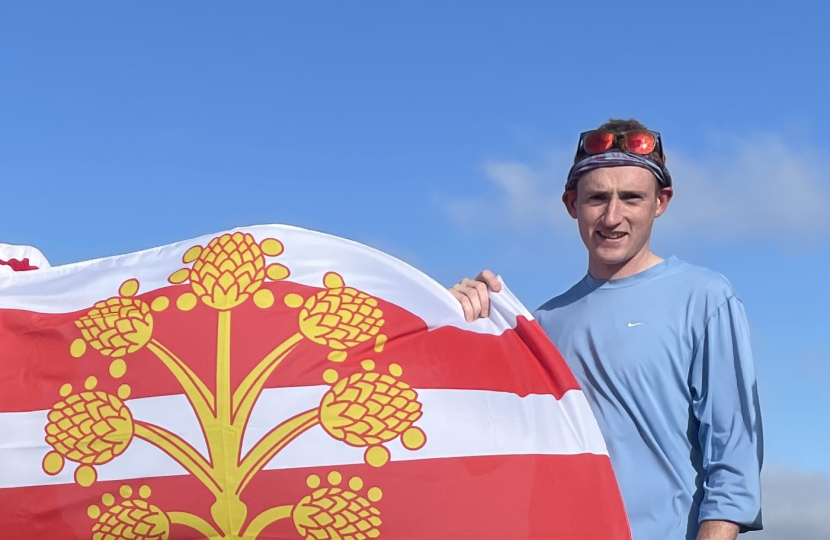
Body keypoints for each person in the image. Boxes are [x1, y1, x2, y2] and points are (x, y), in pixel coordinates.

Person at [450, 119, 763, 540]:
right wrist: (457, 325)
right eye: (597, 198)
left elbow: (732, 459)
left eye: (631, 197)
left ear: (661, 202)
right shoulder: (539, 326)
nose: (612, 217)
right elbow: (487, 454)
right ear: (571, 204)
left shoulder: (703, 297)